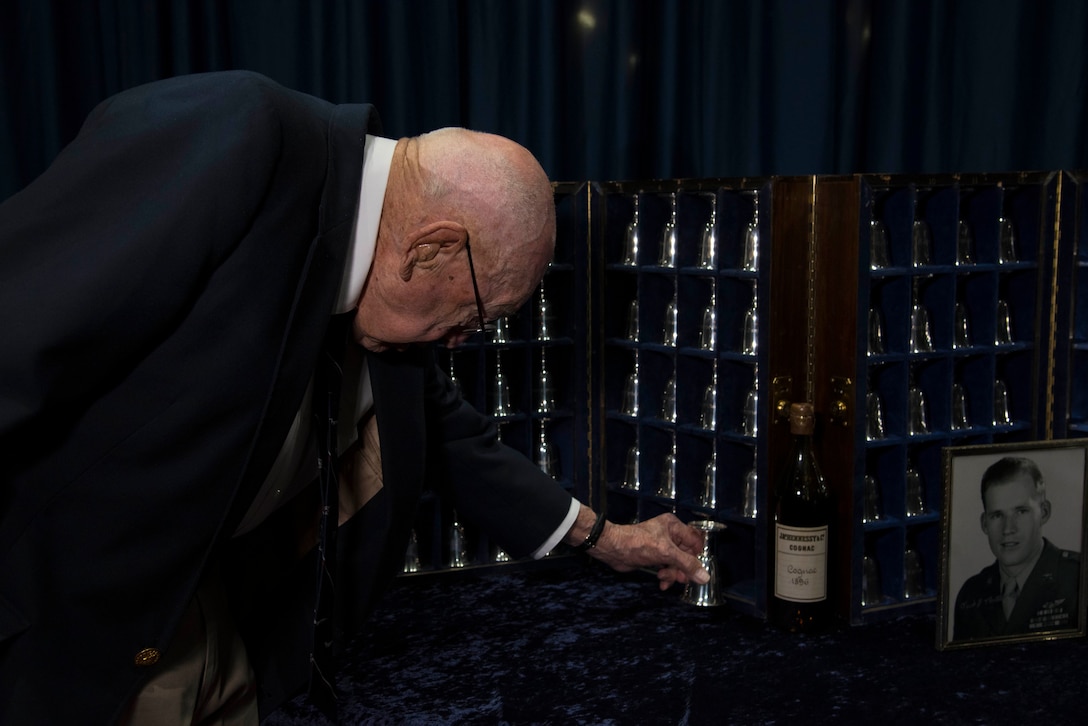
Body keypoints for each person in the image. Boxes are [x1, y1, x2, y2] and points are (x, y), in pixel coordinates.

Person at [0, 71, 708, 724]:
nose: (464, 340)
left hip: (206, 619)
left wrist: (606, 539)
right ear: (433, 246)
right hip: (68, 636)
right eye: (477, 316)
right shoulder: (234, 133)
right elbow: (18, 331)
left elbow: (449, 435)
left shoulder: (381, 303)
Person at [953, 456, 1080, 641]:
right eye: (997, 515)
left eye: (1021, 512)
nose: (1008, 529)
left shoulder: (1078, 578)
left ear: (1044, 512)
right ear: (984, 524)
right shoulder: (971, 592)